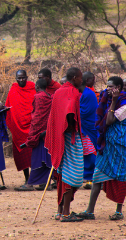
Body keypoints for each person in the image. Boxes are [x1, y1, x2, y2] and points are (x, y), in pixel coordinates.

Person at [80, 76, 126, 220]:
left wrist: (114, 101)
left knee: (120, 177)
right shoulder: (105, 100)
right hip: (106, 145)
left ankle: (118, 211)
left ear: (119, 88)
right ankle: (90, 210)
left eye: (111, 87)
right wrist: (111, 101)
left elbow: (109, 121)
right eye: (107, 86)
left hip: (120, 146)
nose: (108, 89)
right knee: (97, 176)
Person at [46, 67, 86, 222]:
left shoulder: (59, 91)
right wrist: (71, 126)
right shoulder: (72, 92)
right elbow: (70, 111)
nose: (81, 81)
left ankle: (60, 211)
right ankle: (66, 214)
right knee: (73, 175)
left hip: (59, 139)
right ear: (74, 77)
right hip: (70, 137)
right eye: (80, 78)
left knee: (63, 174)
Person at [5, 70, 36, 191]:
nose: (21, 80)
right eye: (19, 78)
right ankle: (27, 179)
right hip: (18, 129)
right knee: (22, 154)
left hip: (32, 128)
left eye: (23, 78)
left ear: (27, 77)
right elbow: (9, 108)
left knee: (34, 155)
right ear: (16, 78)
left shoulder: (32, 88)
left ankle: (35, 179)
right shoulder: (13, 90)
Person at [25, 78, 56, 190]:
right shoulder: (50, 97)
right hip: (48, 132)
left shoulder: (38, 97)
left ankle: (30, 183)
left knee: (37, 158)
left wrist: (33, 133)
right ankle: (45, 183)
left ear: (37, 87)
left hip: (39, 133)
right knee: (47, 157)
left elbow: (37, 116)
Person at [80, 74, 100, 190]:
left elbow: (85, 111)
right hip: (82, 128)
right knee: (85, 153)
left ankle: (92, 178)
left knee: (91, 152)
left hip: (89, 127)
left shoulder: (89, 94)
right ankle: (85, 177)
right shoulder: (80, 93)